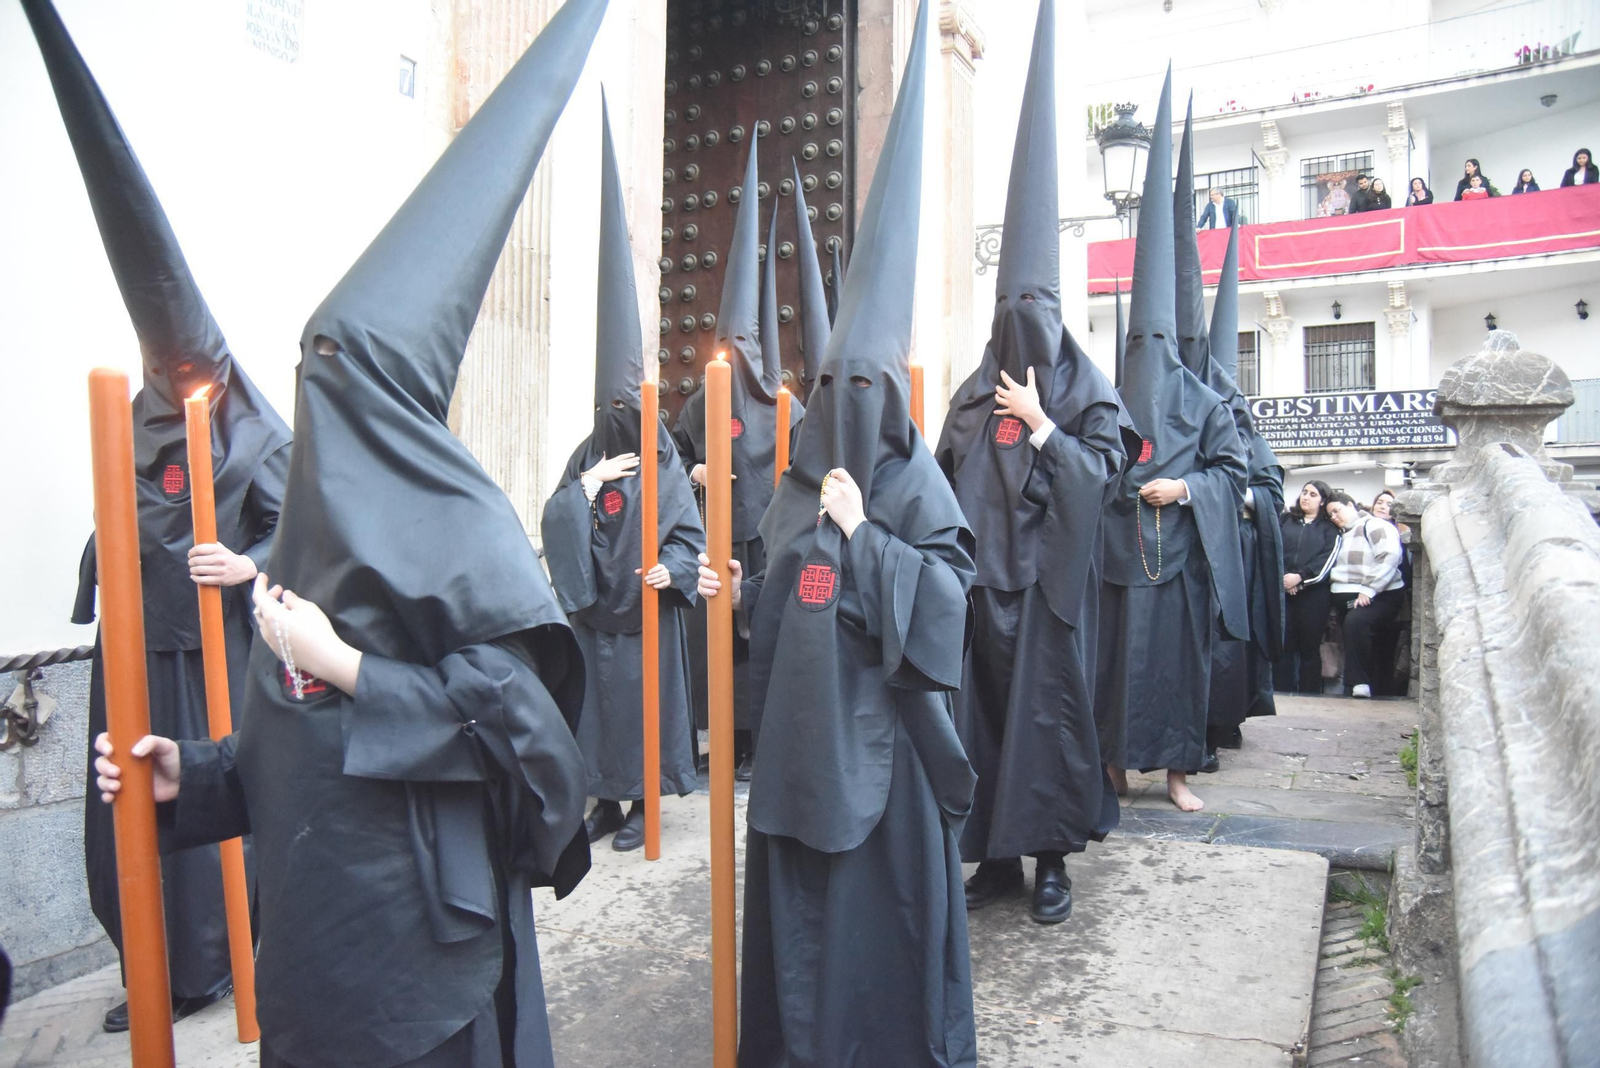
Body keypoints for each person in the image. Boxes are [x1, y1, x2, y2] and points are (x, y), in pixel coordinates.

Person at [93, 3, 607, 1063]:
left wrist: (351, 666)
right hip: (315, 953)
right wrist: (188, 774)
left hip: (430, 961)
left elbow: (530, 743)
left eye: (336, 368)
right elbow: (287, 748)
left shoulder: (467, 532)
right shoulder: (309, 539)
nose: (312, 395)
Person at [702, 5, 979, 1062]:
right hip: (797, 765)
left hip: (887, 764)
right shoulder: (790, 480)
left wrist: (865, 539)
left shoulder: (913, 485)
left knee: (872, 958)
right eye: (833, 386)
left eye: (864, 387)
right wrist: (742, 596)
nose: (847, 404)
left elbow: (948, 611)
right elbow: (772, 620)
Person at [23, 0, 294, 1032]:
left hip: (218, 659)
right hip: (137, 665)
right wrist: (105, 569)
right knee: (124, 813)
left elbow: (292, 538)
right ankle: (149, 970)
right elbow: (114, 534)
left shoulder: (262, 440)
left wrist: (249, 565)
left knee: (213, 811)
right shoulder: (127, 431)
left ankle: (221, 962)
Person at [938, 0, 1132, 927]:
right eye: (1009, 303)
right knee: (982, 727)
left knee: (1045, 726)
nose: (1023, 323)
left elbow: (1106, 475)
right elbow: (935, 484)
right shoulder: (970, 397)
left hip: (1048, 596)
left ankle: (1050, 859)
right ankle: (995, 861)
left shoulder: (1079, 391)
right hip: (983, 594)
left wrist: (1043, 425)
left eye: (1036, 305)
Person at [541, 102, 705, 854]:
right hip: (594, 618)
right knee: (596, 715)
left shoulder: (666, 457)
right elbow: (555, 518)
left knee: (639, 711)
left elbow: (688, 536)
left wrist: (665, 573)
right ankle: (603, 800)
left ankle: (642, 801)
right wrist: (588, 483)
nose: (612, 414)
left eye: (623, 402)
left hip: (643, 614)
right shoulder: (587, 452)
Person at [1095, 74, 1249, 815]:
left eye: (1160, 338)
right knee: (1119, 670)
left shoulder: (1203, 399)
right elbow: (1087, 463)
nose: (1150, 351)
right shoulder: (1109, 393)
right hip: (1122, 564)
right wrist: (1121, 484)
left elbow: (1234, 469)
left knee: (1175, 674)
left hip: (1179, 560)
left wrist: (1182, 489)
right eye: (1140, 340)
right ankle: (1119, 770)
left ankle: (1179, 776)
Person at [671, 140, 803, 780]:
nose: (731, 354)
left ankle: (755, 742)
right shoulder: (699, 403)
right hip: (715, 538)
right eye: (723, 342)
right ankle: (719, 737)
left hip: (765, 539)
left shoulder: (787, 407)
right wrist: (696, 473)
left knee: (756, 640)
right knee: (715, 642)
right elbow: (676, 456)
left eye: (741, 342)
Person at [1198, 218, 1286, 755]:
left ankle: (1227, 721)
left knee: (1233, 647)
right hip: (1203, 550)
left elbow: (1270, 493)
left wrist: (1235, 497)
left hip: (1242, 554)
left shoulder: (1251, 437)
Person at [1326, 492, 1405, 699]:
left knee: (1357, 623)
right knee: (1361, 641)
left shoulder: (1374, 525)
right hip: (1346, 597)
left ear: (1350, 505)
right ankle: (1359, 685)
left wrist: (1369, 589)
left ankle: (1358, 682)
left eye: (1337, 510)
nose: (1334, 516)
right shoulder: (1340, 533)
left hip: (1380, 594)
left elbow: (1389, 555)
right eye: (1330, 514)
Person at [1274, 481, 1339, 695]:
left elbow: (1326, 561)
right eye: (1304, 492)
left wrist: (1300, 579)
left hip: (1313, 596)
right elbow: (1273, 549)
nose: (1306, 497)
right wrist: (1285, 579)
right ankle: (1282, 691)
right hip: (1284, 591)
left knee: (1309, 648)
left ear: (1322, 501)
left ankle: (1309, 692)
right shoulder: (1286, 521)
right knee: (1284, 645)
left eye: (1313, 494)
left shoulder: (1329, 529)